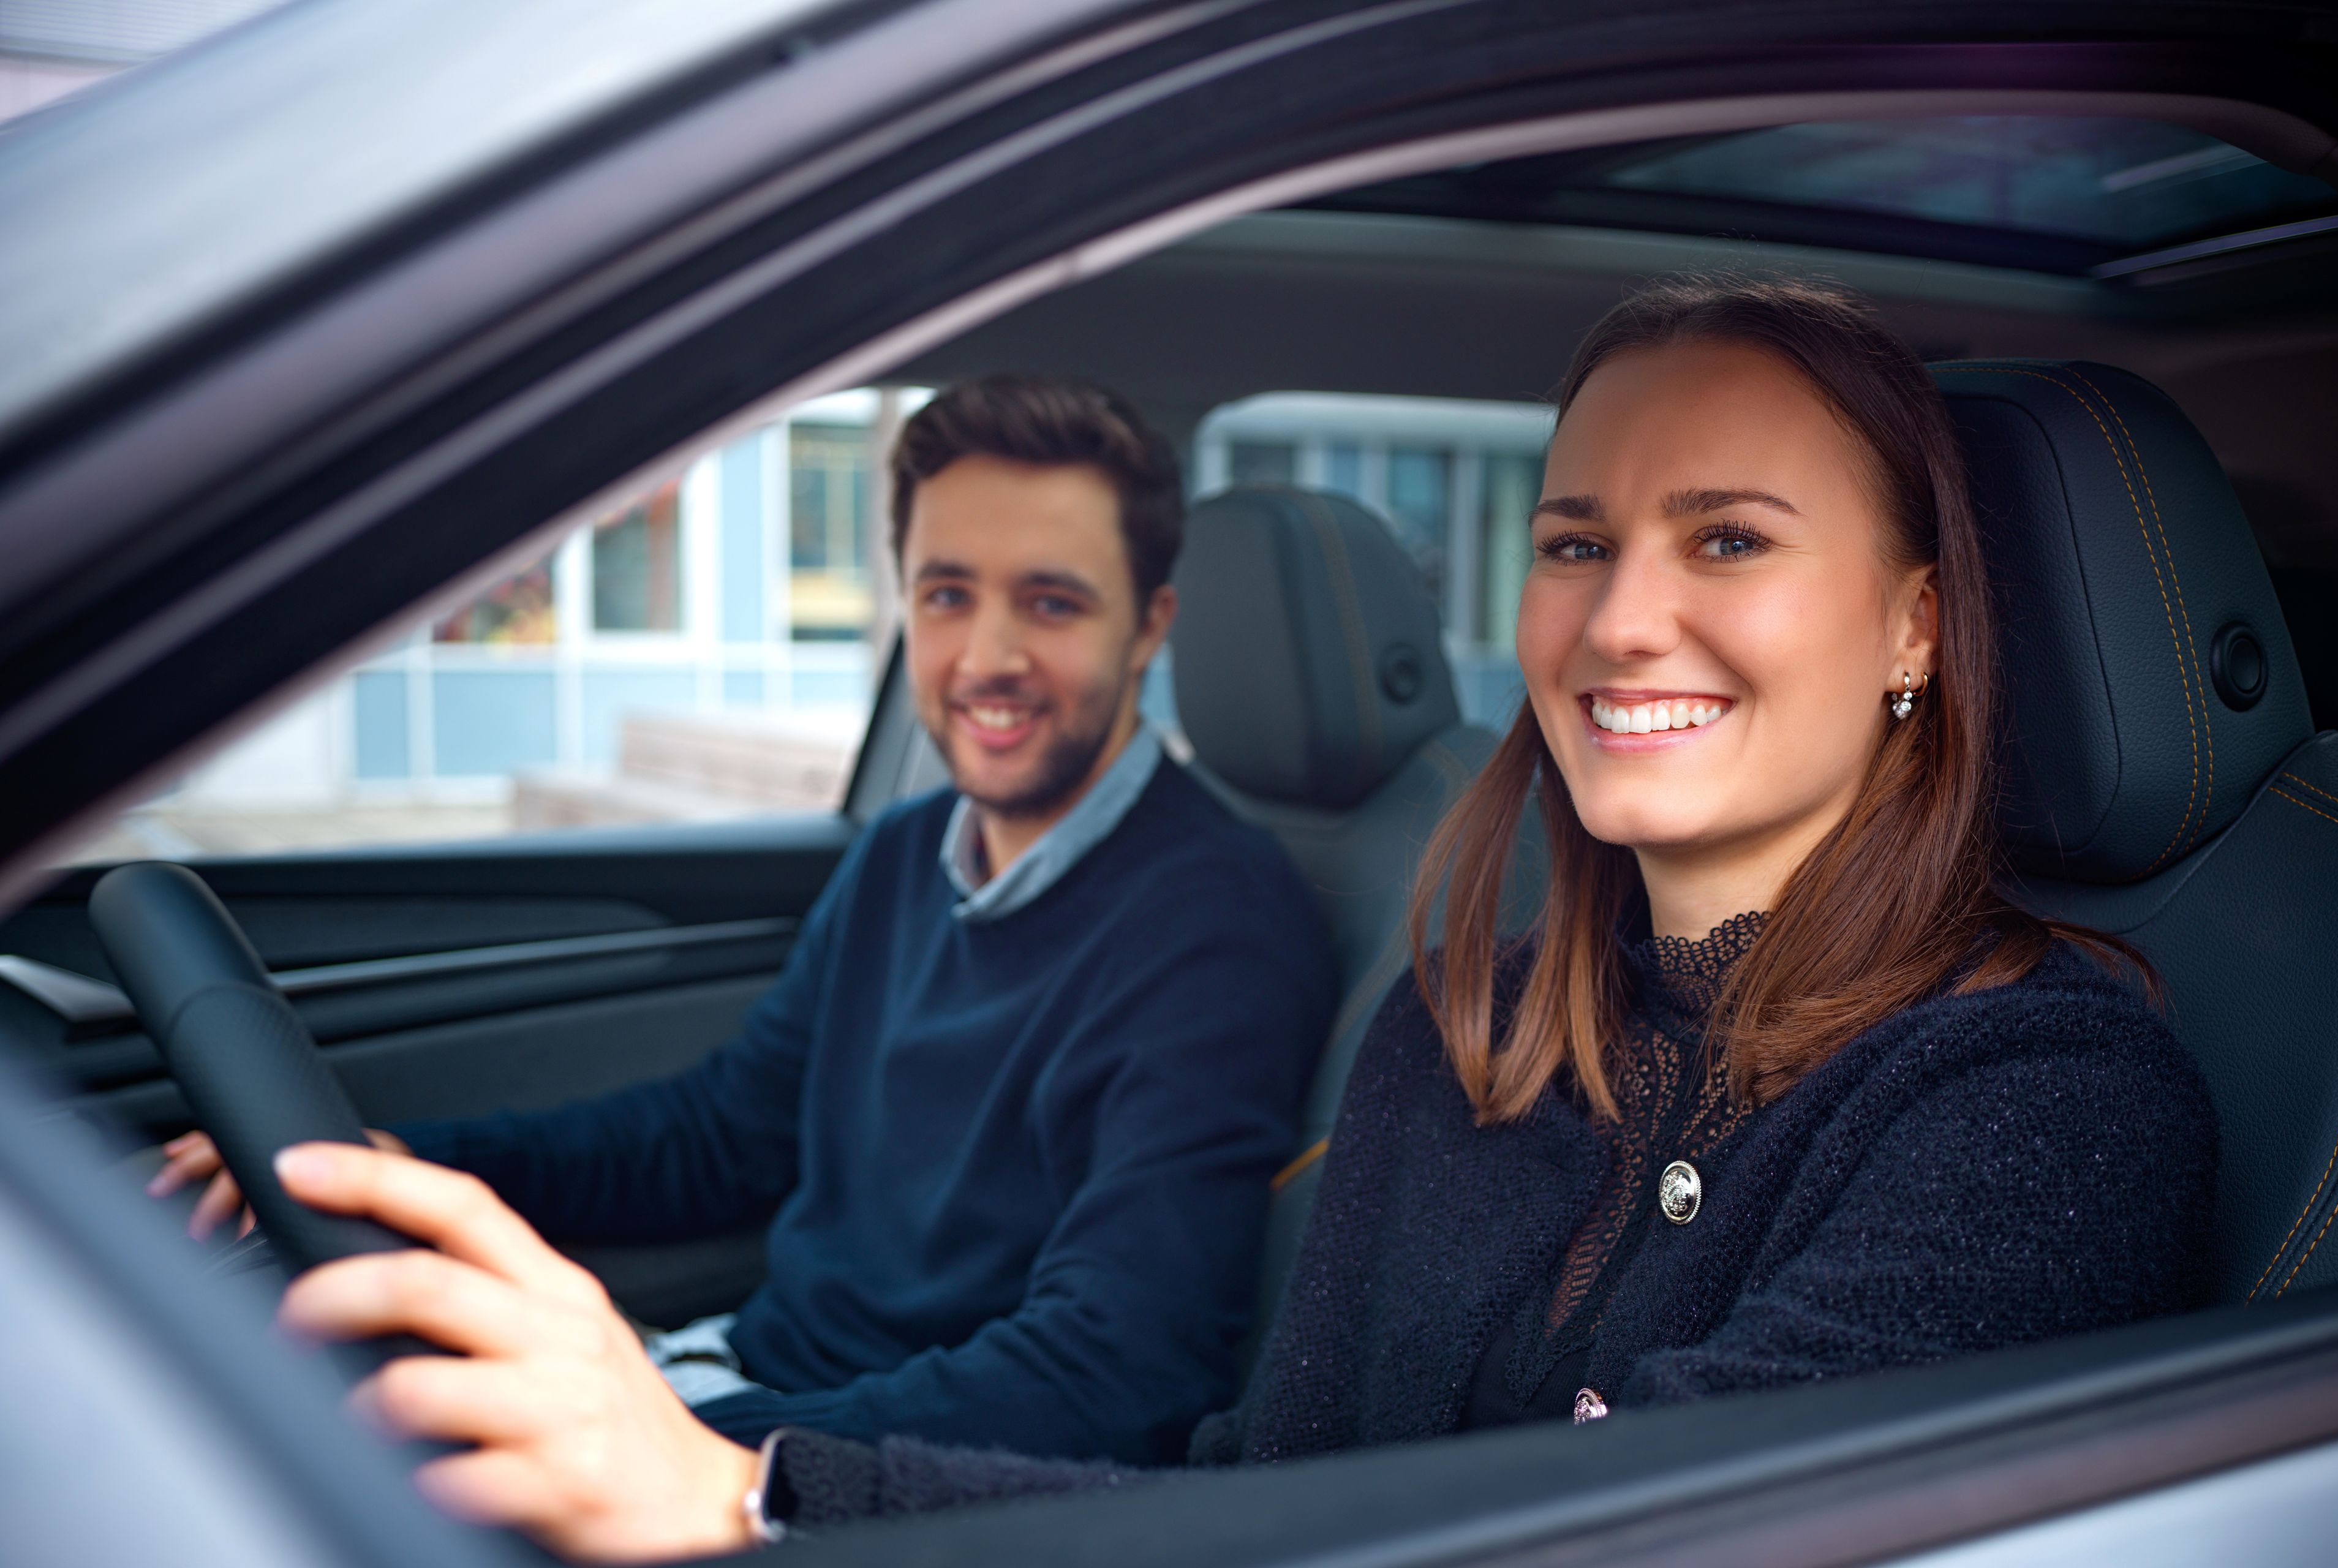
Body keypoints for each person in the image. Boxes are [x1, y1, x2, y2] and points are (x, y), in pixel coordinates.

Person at [258, 280, 2217, 1558]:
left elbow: (1611, 1534)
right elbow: (1264, 1500)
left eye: (1728, 538)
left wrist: (751, 1486)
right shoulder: (1467, 1030)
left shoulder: (2045, 1108)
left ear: (1915, 625)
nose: (1626, 617)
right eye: (1576, 542)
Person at [152, 375, 1338, 1526]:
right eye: (946, 594)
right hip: (731, 1388)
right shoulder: (906, 851)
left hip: (849, 1494)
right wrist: (412, 1163)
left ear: (1150, 627)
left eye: (1052, 603)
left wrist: (715, 1454)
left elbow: (1116, 1369)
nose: (987, 654)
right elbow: (723, 1132)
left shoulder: (1217, 927)